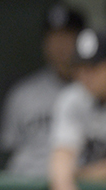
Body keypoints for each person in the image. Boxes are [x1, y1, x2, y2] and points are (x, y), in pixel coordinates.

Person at [0, 4, 86, 178]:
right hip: (27, 182)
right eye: (53, 37)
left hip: (77, 182)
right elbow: (10, 147)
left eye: (67, 36)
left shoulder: (96, 95)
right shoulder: (22, 93)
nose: (60, 45)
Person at [49, 27, 106, 190]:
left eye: (93, 68)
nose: (84, 76)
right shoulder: (73, 99)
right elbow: (61, 159)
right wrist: (65, 182)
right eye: (79, 67)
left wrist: (80, 174)